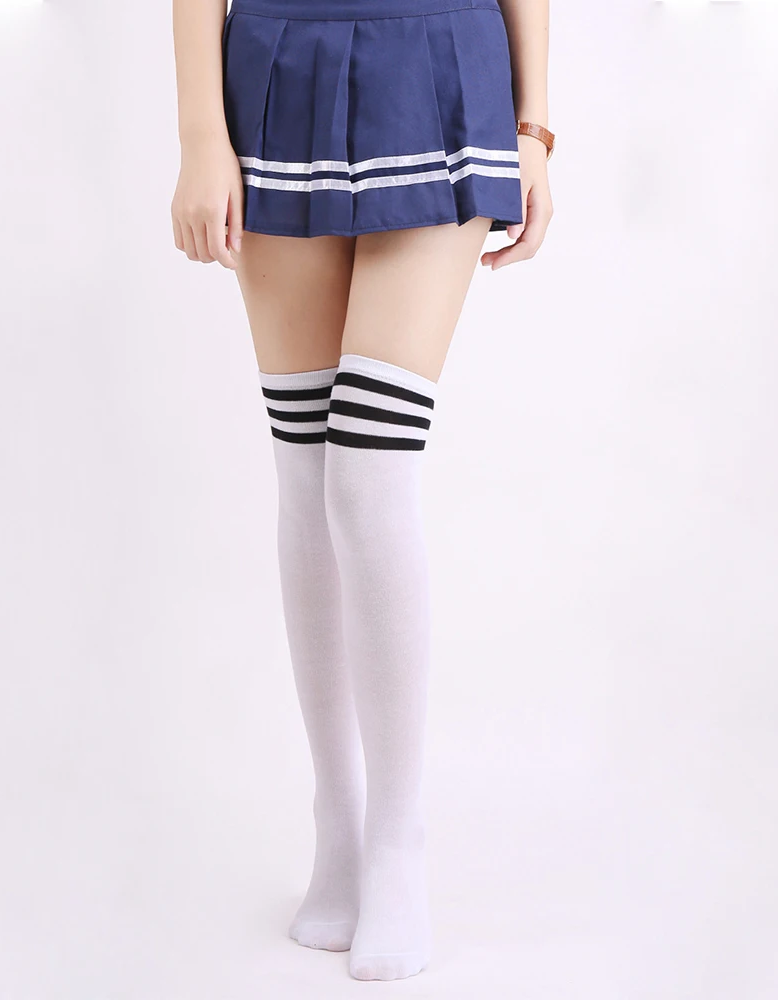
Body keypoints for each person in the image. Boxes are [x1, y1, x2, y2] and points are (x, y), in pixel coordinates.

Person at [171, 0, 553, 981]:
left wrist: (534, 126)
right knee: (307, 468)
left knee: (369, 470)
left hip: (438, 58)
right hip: (278, 61)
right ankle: (337, 823)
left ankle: (397, 839)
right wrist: (201, 135)